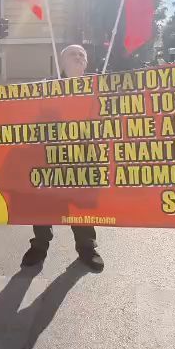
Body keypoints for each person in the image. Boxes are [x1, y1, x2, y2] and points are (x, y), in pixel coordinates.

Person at [20, 45, 105, 272]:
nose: (78, 57)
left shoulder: (99, 84)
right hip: (50, 157)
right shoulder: (47, 85)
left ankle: (87, 248)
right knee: (43, 204)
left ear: (86, 63)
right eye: (72, 54)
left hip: (84, 157)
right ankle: (39, 246)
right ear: (62, 62)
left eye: (82, 55)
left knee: (82, 206)